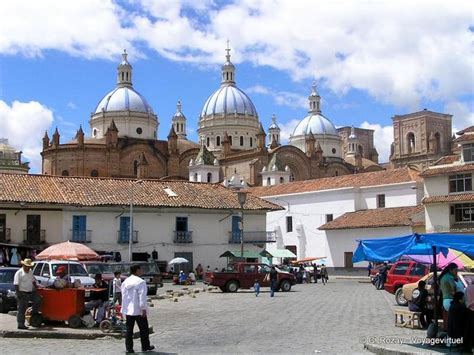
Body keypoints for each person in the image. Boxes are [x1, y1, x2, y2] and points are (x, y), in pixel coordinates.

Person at [121, 264, 155, 353]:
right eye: (141, 269)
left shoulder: (125, 281)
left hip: (129, 309)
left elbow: (123, 296)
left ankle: (129, 348)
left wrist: (124, 308)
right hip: (139, 310)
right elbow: (142, 297)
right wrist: (143, 308)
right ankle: (145, 346)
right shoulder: (141, 282)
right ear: (137, 270)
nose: (142, 271)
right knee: (144, 329)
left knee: (129, 329)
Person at [14, 258, 42, 330]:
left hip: (30, 292)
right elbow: (16, 284)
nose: (28, 267)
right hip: (22, 293)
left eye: (29, 266)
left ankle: (32, 312)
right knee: (22, 309)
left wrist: (37, 287)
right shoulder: (19, 273)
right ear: (23, 265)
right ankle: (20, 324)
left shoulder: (30, 271)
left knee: (38, 299)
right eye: (26, 266)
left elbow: (33, 281)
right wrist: (18, 294)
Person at [439, 263, 458, 331]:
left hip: (445, 300)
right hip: (451, 300)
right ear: (450, 270)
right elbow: (453, 289)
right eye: (455, 270)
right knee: (454, 320)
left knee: (448, 320)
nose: (456, 272)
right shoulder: (450, 277)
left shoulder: (443, 277)